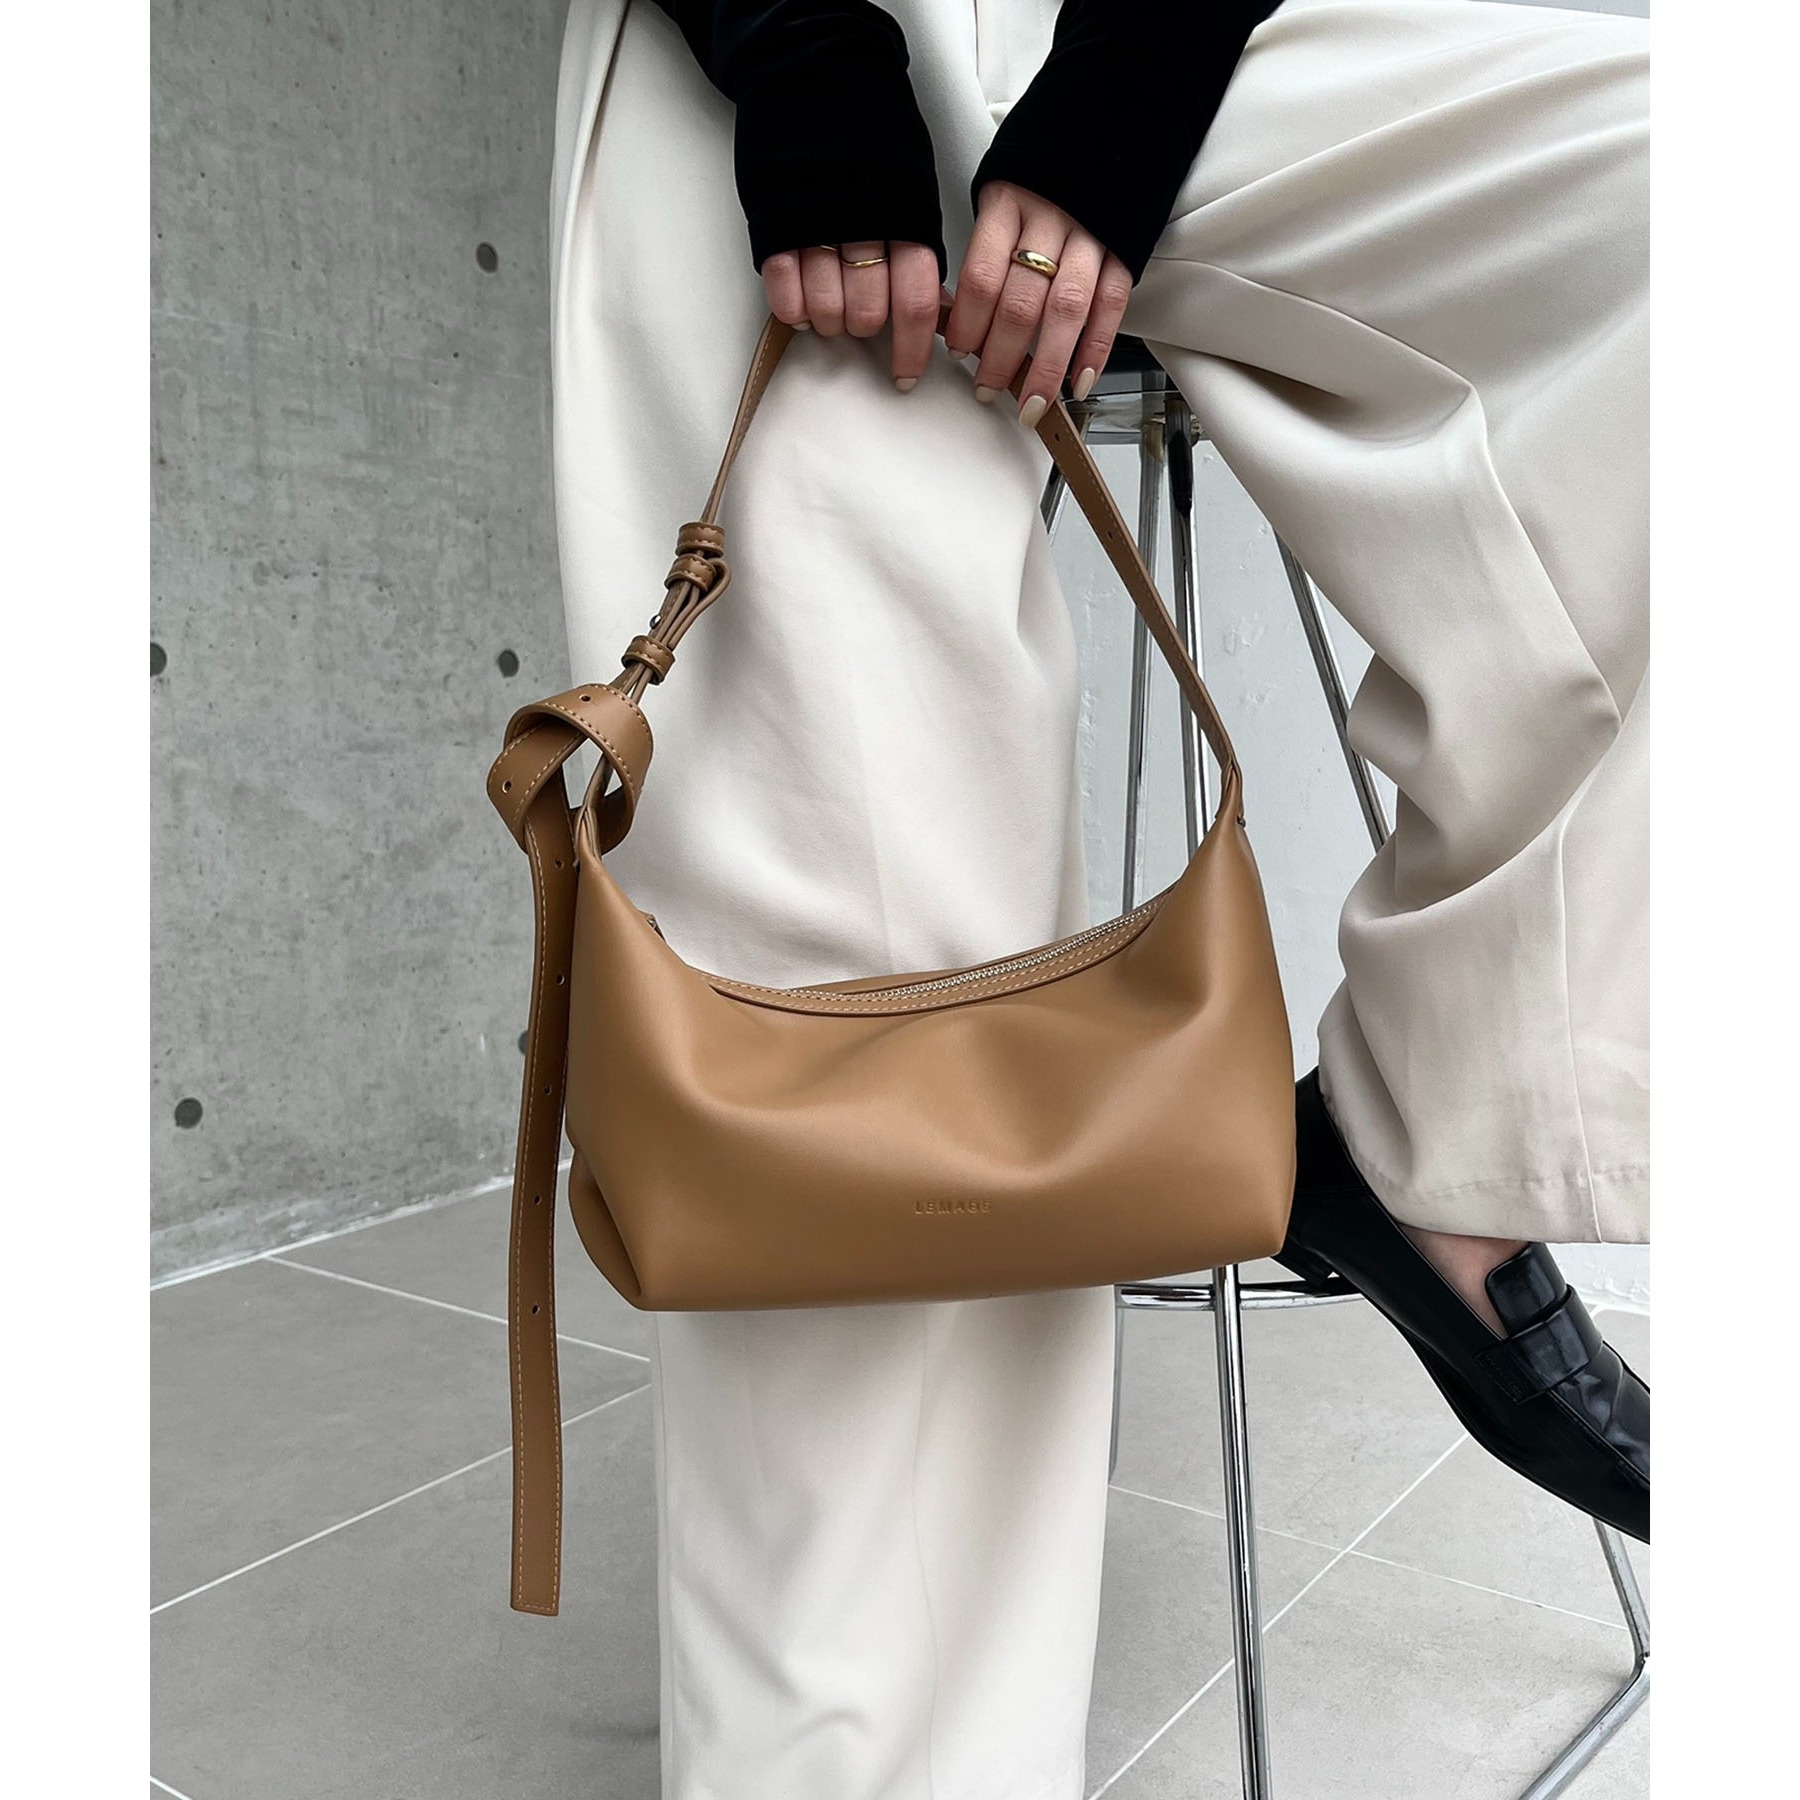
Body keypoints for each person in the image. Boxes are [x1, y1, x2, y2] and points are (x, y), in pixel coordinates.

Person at [546, 0, 1649, 1791]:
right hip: (758, 46)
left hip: (1185, 34)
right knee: (845, 1062)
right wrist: (800, 44)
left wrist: (1138, 65)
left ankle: (1420, 1136)